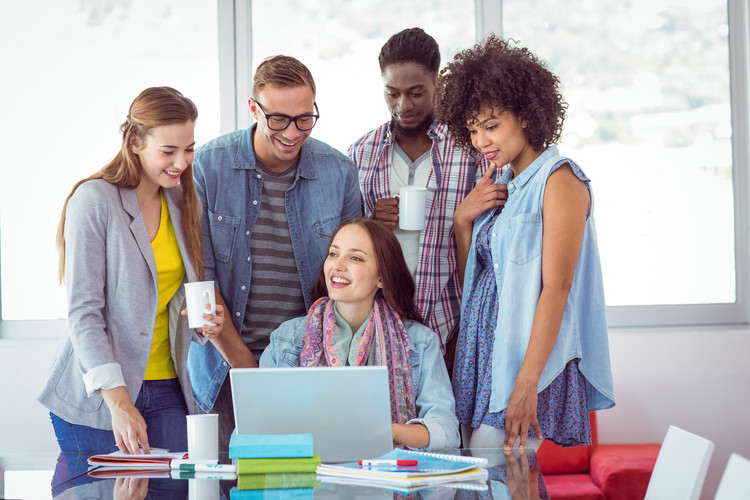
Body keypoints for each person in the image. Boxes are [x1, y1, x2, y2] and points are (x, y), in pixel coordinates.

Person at [434, 36, 615, 451]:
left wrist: (526, 383)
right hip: (483, 359)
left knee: (509, 479)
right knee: (485, 484)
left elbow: (558, 289)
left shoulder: (560, 180)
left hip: (522, 364)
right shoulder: (504, 184)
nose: (481, 141)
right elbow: (480, 281)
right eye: (473, 129)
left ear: (529, 116)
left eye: (492, 126)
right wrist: (463, 222)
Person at [188, 55, 363, 451]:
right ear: (253, 108)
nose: (293, 132)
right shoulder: (208, 167)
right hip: (226, 371)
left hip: (311, 370)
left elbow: (354, 276)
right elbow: (201, 280)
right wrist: (254, 377)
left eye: (305, 118)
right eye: (279, 119)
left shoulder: (338, 171)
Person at [38, 87, 225, 455]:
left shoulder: (185, 202)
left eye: (188, 149)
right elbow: (84, 313)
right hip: (102, 394)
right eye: (168, 151)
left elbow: (174, 297)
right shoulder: (95, 200)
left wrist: (204, 324)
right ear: (135, 142)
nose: (182, 162)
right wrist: (119, 402)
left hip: (169, 385)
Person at [348, 28, 495, 365]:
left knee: (451, 418)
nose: (404, 105)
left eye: (416, 93)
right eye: (393, 93)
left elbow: (494, 238)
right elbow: (345, 242)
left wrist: (466, 215)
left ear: (437, 85)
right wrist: (369, 223)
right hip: (382, 323)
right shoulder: (361, 153)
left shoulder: (470, 147)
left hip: (454, 320)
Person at [260, 218, 459, 451]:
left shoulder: (421, 342)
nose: (338, 266)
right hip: (308, 477)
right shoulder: (287, 338)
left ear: (382, 277)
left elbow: (446, 430)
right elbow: (256, 426)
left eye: (355, 258)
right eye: (333, 254)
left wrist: (391, 431)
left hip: (387, 476)